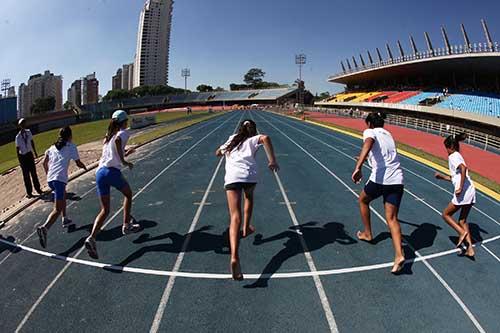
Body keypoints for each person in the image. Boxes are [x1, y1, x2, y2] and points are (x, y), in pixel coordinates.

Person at [216, 119, 279, 280]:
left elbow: (217, 152)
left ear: (240, 129)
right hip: (249, 176)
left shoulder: (232, 139)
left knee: (234, 217)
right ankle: (246, 227)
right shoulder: (253, 139)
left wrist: (225, 150)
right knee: (249, 197)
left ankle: (234, 256)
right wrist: (272, 160)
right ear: (253, 130)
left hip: (232, 177)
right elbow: (265, 138)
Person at [351, 112, 406, 274]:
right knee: (392, 218)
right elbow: (381, 154)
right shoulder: (388, 134)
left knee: (363, 200)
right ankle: (399, 255)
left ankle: (368, 233)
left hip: (381, 179)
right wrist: (364, 159)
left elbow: (368, 143)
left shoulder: (370, 132)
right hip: (397, 179)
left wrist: (358, 167)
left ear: (369, 123)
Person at [84, 110, 140, 259]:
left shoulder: (107, 138)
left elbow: (113, 152)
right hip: (111, 172)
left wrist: (127, 153)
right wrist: (124, 162)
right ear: (124, 122)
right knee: (128, 194)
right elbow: (118, 143)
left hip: (100, 173)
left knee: (105, 210)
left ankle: (92, 237)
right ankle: (126, 225)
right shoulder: (122, 134)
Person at [36, 127, 87, 248]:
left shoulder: (52, 147)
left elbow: (44, 162)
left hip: (51, 180)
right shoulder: (71, 147)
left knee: (62, 195)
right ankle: (45, 228)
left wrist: (49, 174)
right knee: (57, 209)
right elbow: (78, 162)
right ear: (70, 136)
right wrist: (84, 167)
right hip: (59, 180)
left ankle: (65, 219)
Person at [434, 133, 476, 257]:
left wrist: (460, 188)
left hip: (463, 192)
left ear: (450, 147)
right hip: (470, 191)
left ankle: (461, 232)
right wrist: (442, 177)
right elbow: (456, 176)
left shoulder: (453, 156)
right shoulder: (458, 155)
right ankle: (470, 249)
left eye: (446, 148)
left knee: (446, 215)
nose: (446, 151)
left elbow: (463, 169)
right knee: (462, 220)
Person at [15, 118, 43, 198]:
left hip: (30, 155)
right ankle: (29, 192)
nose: (23, 125)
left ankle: (38, 189)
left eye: (24, 123)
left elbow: (31, 142)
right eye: (22, 124)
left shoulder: (29, 132)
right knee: (26, 176)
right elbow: (17, 149)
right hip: (23, 157)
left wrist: (35, 152)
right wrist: (20, 161)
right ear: (20, 126)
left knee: (34, 173)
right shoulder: (18, 137)